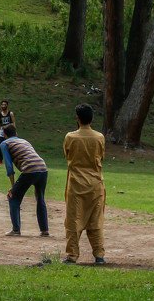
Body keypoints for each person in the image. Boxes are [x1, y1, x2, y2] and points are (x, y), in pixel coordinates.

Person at [63, 103, 106, 265]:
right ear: (91, 118)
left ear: (78, 118)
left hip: (76, 184)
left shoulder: (70, 137)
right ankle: (99, 255)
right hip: (95, 184)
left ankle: (72, 255)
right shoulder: (99, 137)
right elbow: (101, 157)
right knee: (96, 220)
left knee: (73, 220)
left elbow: (67, 155)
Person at [0, 124, 49, 237]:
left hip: (29, 170)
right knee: (40, 198)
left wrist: (13, 187)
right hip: (43, 168)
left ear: (5, 135)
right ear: (16, 133)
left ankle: (16, 230)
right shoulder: (24, 141)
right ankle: (44, 230)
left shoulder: (5, 143)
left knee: (13, 197)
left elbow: (9, 166)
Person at [0, 100, 15, 164]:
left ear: (7, 105)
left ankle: (13, 159)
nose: (3, 106)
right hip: (2, 132)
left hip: (9, 132)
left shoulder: (10, 113)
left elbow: (13, 123)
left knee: (10, 146)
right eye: (2, 105)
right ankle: (0, 160)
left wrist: (14, 131)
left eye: (5, 105)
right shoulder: (0, 114)